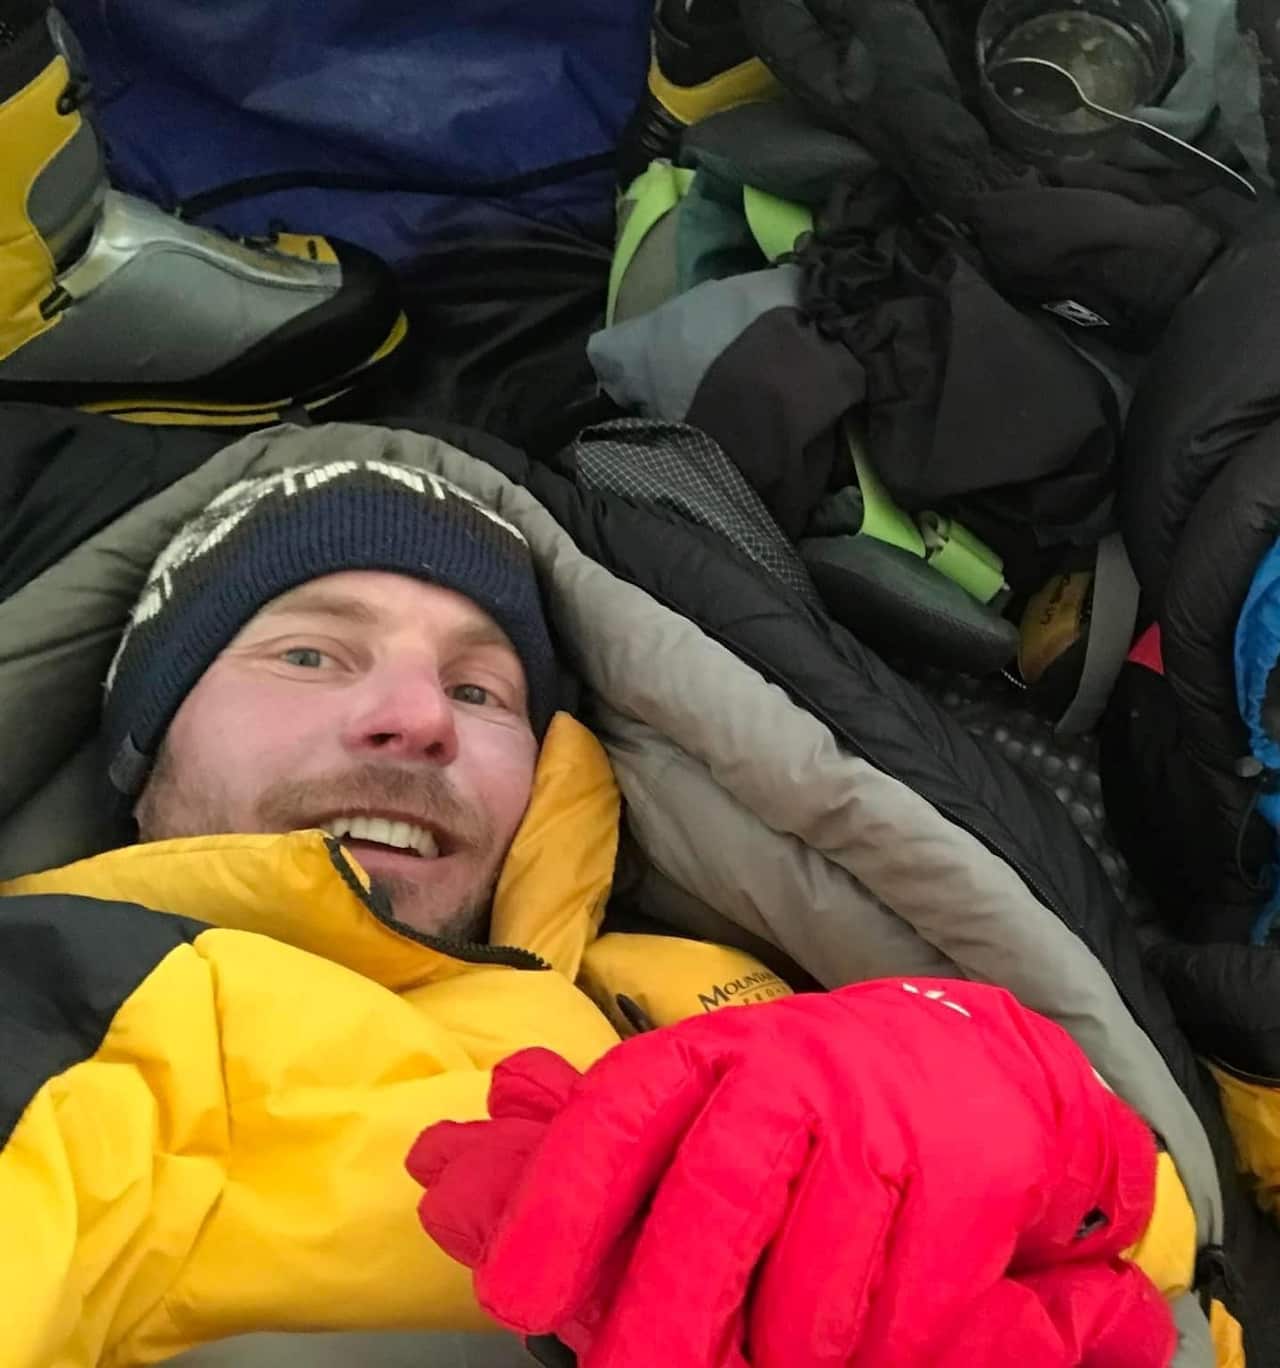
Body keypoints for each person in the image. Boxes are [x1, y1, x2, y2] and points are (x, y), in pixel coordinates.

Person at [0, 453, 1191, 1366]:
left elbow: (1182, 1284)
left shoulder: (697, 971)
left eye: (478, 687)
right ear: (142, 751)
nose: (416, 718)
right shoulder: (63, 1018)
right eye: (309, 656)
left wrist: (1026, 1117)